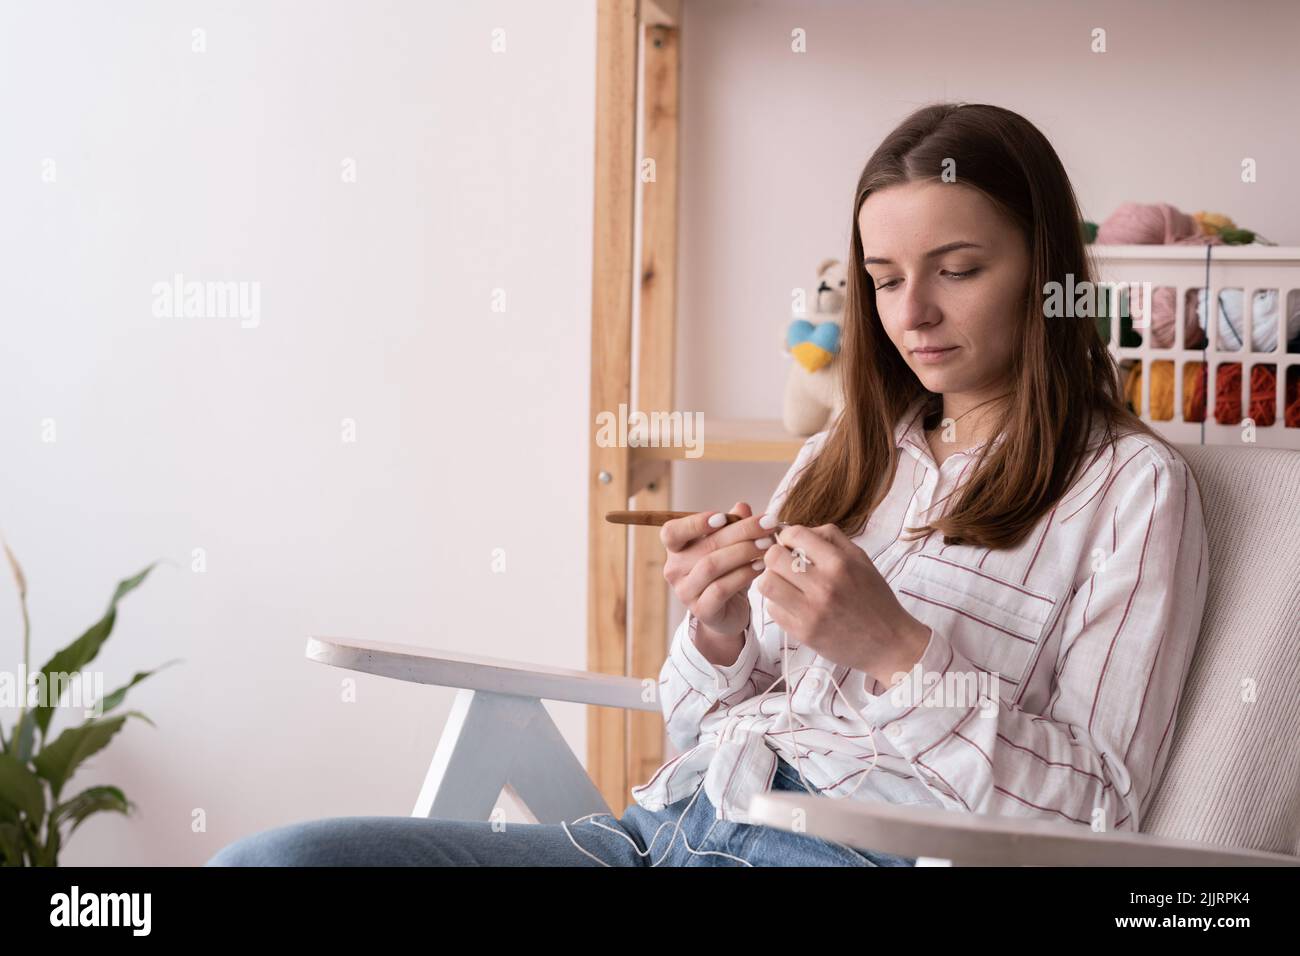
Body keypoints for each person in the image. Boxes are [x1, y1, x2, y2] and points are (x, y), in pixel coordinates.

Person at [207, 102, 1208, 867]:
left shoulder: (1129, 490)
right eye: (885, 276)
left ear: (1045, 271)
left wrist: (900, 651)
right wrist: (718, 627)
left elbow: (1095, 812)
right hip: (661, 830)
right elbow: (697, 718)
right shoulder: (847, 455)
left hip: (832, 853)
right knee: (273, 863)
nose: (915, 310)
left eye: (957, 267)